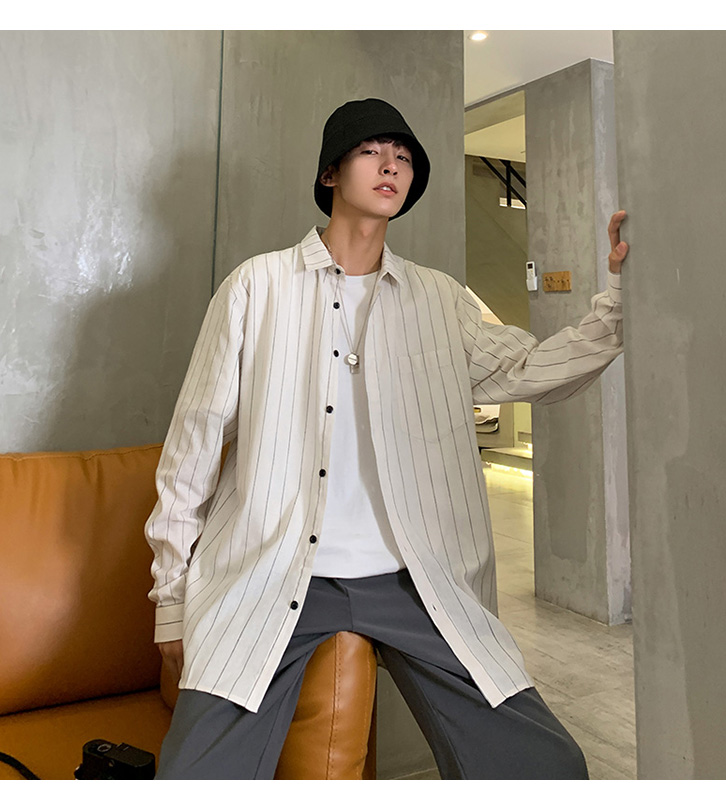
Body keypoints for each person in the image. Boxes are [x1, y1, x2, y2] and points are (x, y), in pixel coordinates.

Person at [146, 98, 628, 780]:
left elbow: (529, 368)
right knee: (195, 777)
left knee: (547, 767)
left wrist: (620, 301)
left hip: (415, 581)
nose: (392, 166)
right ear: (330, 174)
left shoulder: (439, 298)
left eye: (404, 158)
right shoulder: (257, 286)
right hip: (270, 573)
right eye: (373, 151)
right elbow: (192, 447)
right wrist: (171, 600)